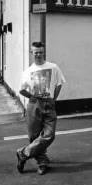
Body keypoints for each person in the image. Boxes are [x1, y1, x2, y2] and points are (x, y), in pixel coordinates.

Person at [16, 41, 66, 175]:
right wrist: (33, 96)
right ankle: (42, 162)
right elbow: (21, 90)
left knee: (49, 134)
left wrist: (53, 99)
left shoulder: (53, 67)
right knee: (34, 135)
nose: (38, 54)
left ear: (44, 52)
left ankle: (23, 154)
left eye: (40, 52)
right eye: (35, 52)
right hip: (34, 103)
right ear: (32, 53)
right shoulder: (28, 71)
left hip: (49, 102)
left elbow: (59, 83)